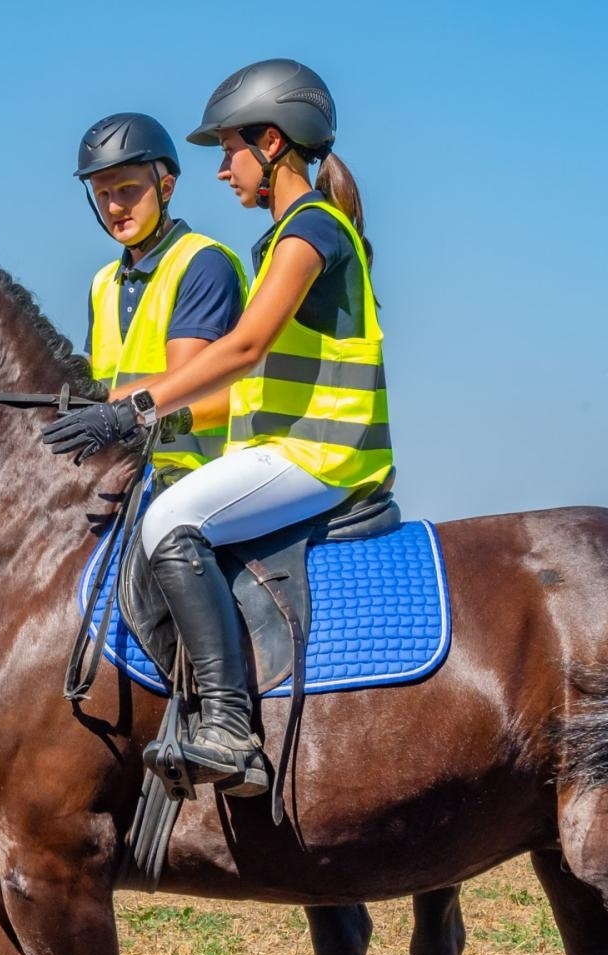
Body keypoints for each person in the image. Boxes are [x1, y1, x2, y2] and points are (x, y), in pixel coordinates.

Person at [43, 60, 391, 798]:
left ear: (271, 142)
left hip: (326, 451)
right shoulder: (281, 239)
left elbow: (242, 349)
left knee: (172, 520)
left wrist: (134, 408)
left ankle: (228, 727)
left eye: (229, 150)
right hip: (286, 447)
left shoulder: (312, 230)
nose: (224, 170)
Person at [73, 112, 245, 472]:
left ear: (165, 189)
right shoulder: (103, 282)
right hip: (123, 473)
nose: (114, 207)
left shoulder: (202, 263)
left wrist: (94, 407)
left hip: (195, 469)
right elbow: (91, 377)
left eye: (127, 190)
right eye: (102, 195)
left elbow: (184, 382)